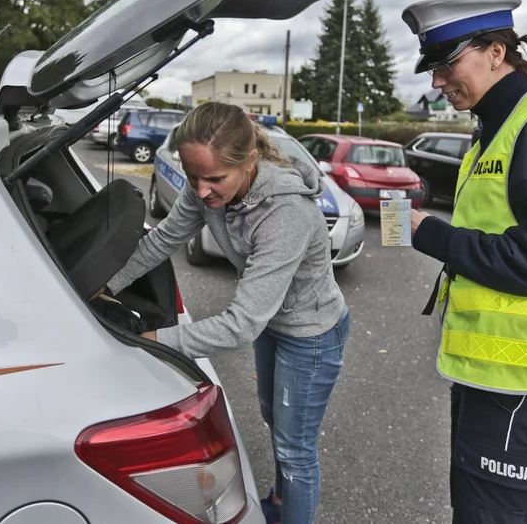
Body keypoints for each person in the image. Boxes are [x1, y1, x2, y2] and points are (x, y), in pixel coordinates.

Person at [400, 0, 527, 524]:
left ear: (496, 52)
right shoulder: (496, 126)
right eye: (433, 68)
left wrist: (433, 236)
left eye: (448, 65)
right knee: (475, 506)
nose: (437, 81)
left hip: (524, 381)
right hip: (497, 374)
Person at [101, 101, 350, 524]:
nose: (201, 191)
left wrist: (150, 343)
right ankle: (279, 500)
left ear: (250, 161)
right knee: (274, 418)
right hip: (274, 320)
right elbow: (161, 241)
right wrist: (105, 286)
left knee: (296, 450)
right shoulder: (206, 186)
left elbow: (240, 325)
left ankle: (292, 511)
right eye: (194, 176)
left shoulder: (286, 213)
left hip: (311, 334)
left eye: (215, 179)